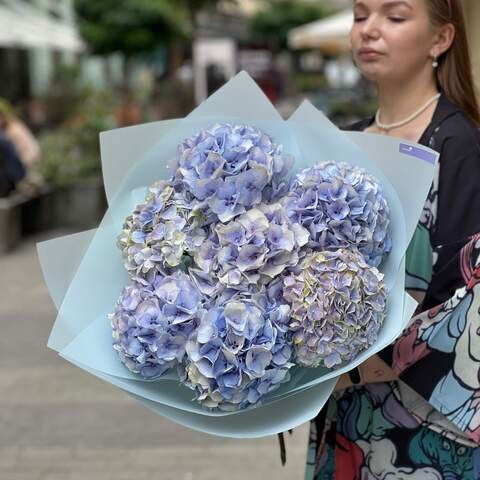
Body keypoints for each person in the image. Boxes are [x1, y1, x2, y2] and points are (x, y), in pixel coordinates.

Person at [303, 1, 480, 478]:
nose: (370, 30)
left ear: (441, 40)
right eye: (361, 16)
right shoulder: (344, 144)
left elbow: (466, 293)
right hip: (344, 412)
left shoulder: (459, 143)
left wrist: (354, 369)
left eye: (394, 17)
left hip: (428, 427)